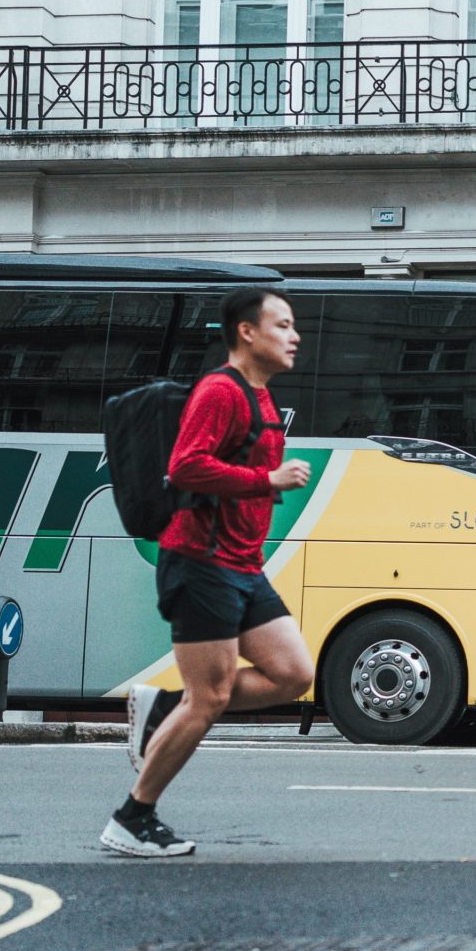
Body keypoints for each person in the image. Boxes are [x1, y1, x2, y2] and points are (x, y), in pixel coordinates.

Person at [111, 287, 317, 858]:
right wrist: (266, 482)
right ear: (246, 332)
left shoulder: (263, 398)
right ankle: (132, 817)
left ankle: (162, 708)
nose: (294, 335)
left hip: (242, 566)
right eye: (282, 325)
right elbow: (186, 466)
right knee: (209, 699)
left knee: (293, 674)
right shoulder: (219, 391)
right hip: (200, 561)